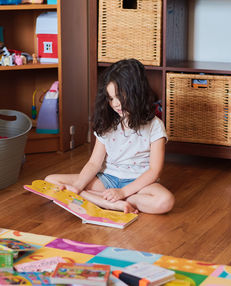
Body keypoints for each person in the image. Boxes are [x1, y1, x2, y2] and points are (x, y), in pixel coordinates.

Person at [45, 59, 174, 214]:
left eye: (120, 96)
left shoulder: (155, 125)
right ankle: (109, 203)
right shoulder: (107, 122)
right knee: (50, 181)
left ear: (136, 92)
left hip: (139, 184)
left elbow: (154, 171)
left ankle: (114, 200)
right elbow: (94, 163)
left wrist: (123, 193)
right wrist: (78, 187)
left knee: (165, 201)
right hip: (108, 179)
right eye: (111, 98)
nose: (116, 104)